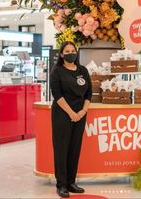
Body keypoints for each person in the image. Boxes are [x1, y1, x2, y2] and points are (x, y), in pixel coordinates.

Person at [50, 41, 92, 198]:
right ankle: (61, 184)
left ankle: (71, 182)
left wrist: (83, 111)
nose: (70, 53)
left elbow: (89, 93)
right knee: (62, 149)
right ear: (61, 54)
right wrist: (71, 113)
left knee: (75, 148)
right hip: (62, 114)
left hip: (80, 114)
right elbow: (57, 95)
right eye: (67, 51)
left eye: (73, 50)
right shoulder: (57, 71)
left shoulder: (83, 70)